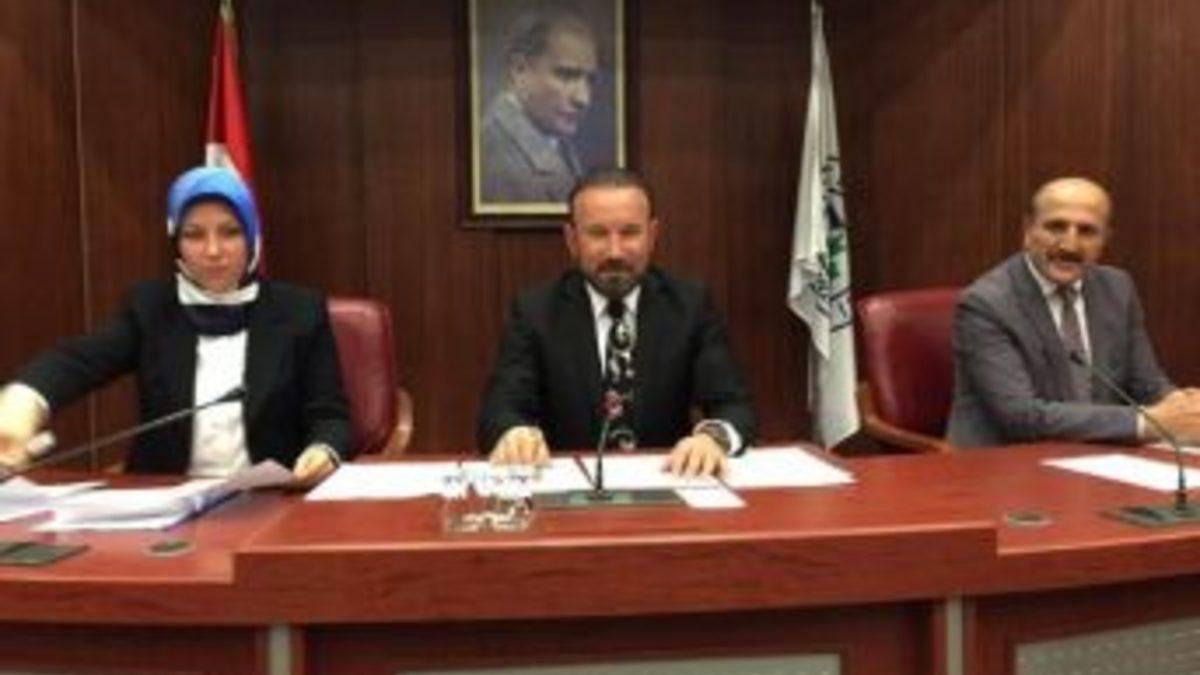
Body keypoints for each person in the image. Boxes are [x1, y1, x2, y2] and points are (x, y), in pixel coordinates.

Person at [0, 166, 352, 485]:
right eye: (194, 235)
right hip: (168, 501)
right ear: (176, 242)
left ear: (252, 237)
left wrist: (324, 450)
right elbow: (78, 361)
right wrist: (25, 400)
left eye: (230, 232)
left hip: (270, 499)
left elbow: (329, 415)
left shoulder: (299, 311)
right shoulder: (150, 307)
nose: (213, 251)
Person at [477, 168, 756, 477]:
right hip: (569, 489)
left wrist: (712, 439)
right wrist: (514, 434)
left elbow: (734, 406)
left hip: (667, 482)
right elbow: (501, 409)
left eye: (629, 232)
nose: (615, 251)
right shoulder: (536, 311)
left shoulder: (689, 306)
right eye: (598, 233)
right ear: (572, 240)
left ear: (652, 236)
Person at [947, 176, 1200, 447]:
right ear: (1028, 231)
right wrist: (1145, 423)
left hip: (1096, 454)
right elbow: (1021, 417)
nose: (1070, 245)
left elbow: (1146, 384)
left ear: (1105, 239)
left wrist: (1182, 407)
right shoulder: (986, 304)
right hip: (1004, 460)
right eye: (1056, 227)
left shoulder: (1116, 288)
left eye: (1087, 231)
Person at [480, 3, 599, 203]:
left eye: (590, 80)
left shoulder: (555, 139)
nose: (583, 99)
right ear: (519, 69)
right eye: (566, 75)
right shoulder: (492, 158)